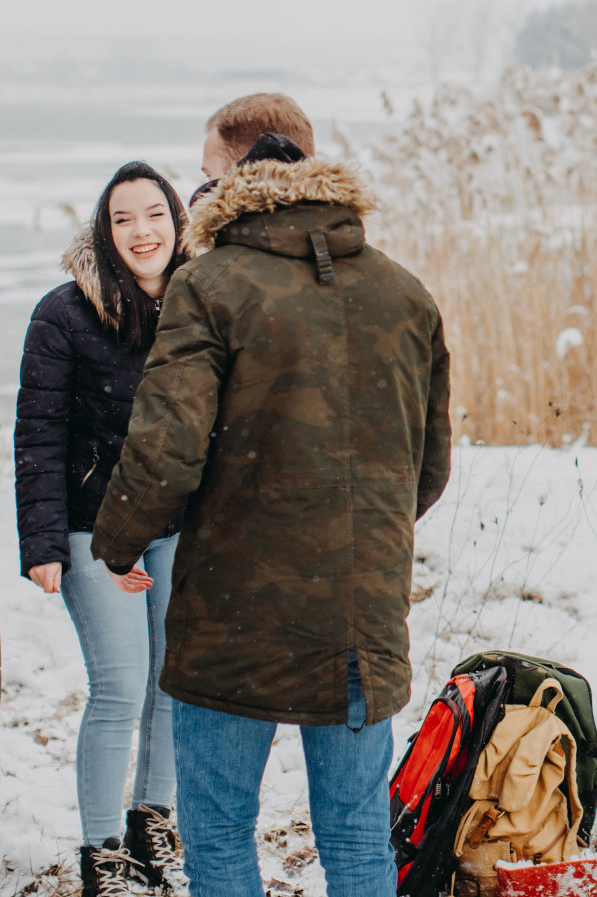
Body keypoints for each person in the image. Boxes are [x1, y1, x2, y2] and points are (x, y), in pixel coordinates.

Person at [90, 96, 453, 897]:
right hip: (360, 617)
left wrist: (116, 541)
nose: (198, 189)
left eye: (206, 173)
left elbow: (165, 450)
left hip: (235, 616)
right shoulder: (403, 291)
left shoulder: (208, 283)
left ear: (240, 174)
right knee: (357, 833)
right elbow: (428, 466)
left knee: (219, 831)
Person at [14, 162, 191, 896]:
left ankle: (154, 824)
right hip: (93, 527)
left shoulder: (200, 302)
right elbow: (38, 432)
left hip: (177, 525)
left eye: (154, 215)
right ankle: (103, 853)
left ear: (177, 222)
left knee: (172, 684)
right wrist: (42, 543)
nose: (142, 232)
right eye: (123, 219)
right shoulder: (66, 313)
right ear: (104, 230)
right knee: (120, 686)